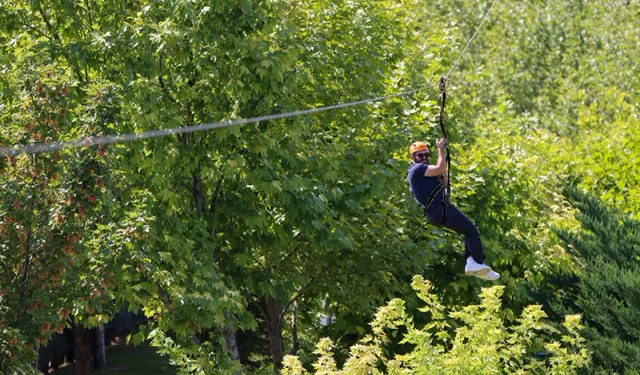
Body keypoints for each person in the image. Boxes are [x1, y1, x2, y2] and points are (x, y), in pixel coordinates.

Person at [407, 139, 500, 281]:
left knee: (468, 231)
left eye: (426, 155)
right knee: (470, 230)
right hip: (439, 209)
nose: (424, 158)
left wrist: (443, 162)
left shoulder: (425, 172)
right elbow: (440, 168)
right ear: (413, 157)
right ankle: (477, 264)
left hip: (439, 210)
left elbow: (444, 180)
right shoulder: (416, 170)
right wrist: (440, 149)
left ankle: (474, 263)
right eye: (421, 155)